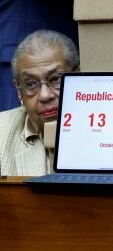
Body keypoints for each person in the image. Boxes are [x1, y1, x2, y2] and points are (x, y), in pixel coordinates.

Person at [0, 30, 78, 175]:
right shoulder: (2, 133)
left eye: (55, 79)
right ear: (18, 90)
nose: (45, 95)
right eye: (30, 84)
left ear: (78, 74)